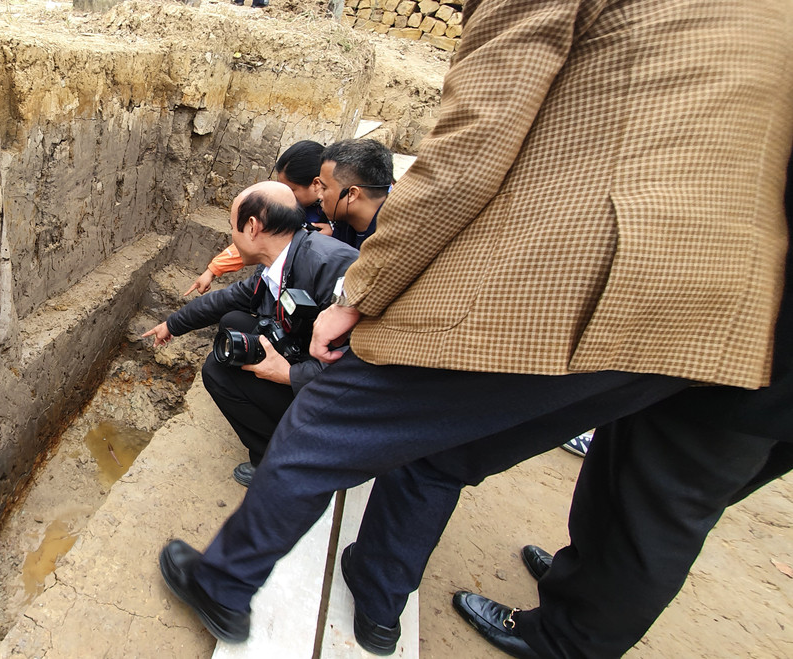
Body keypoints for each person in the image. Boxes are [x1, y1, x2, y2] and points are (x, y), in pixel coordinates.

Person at [157, 0, 792, 652]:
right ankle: (377, 607)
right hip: (722, 312)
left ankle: (223, 582)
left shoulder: (337, 244)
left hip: (583, 270)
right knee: (442, 451)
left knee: (325, 418)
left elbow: (471, 144)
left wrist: (359, 294)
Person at [450, 155, 793, 659]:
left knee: (658, 515)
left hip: (747, 368)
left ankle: (566, 642)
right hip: (730, 352)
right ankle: (582, 582)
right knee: (622, 478)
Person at [144, 181, 358, 486]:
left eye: (233, 226)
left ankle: (277, 461)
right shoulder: (286, 258)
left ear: (253, 227)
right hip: (306, 359)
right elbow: (228, 299)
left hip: (339, 406)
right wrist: (172, 325)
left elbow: (361, 365)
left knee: (216, 372)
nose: (232, 235)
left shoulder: (331, 268)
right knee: (234, 320)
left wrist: (288, 374)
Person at [186, 140, 330, 296]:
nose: (285, 193)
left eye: (292, 189)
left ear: (316, 183)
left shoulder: (338, 221)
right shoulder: (293, 206)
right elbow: (252, 238)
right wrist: (213, 270)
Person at [312, 138, 394, 249]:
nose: (319, 195)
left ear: (352, 194)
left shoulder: (390, 242)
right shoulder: (345, 221)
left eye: (324, 188)